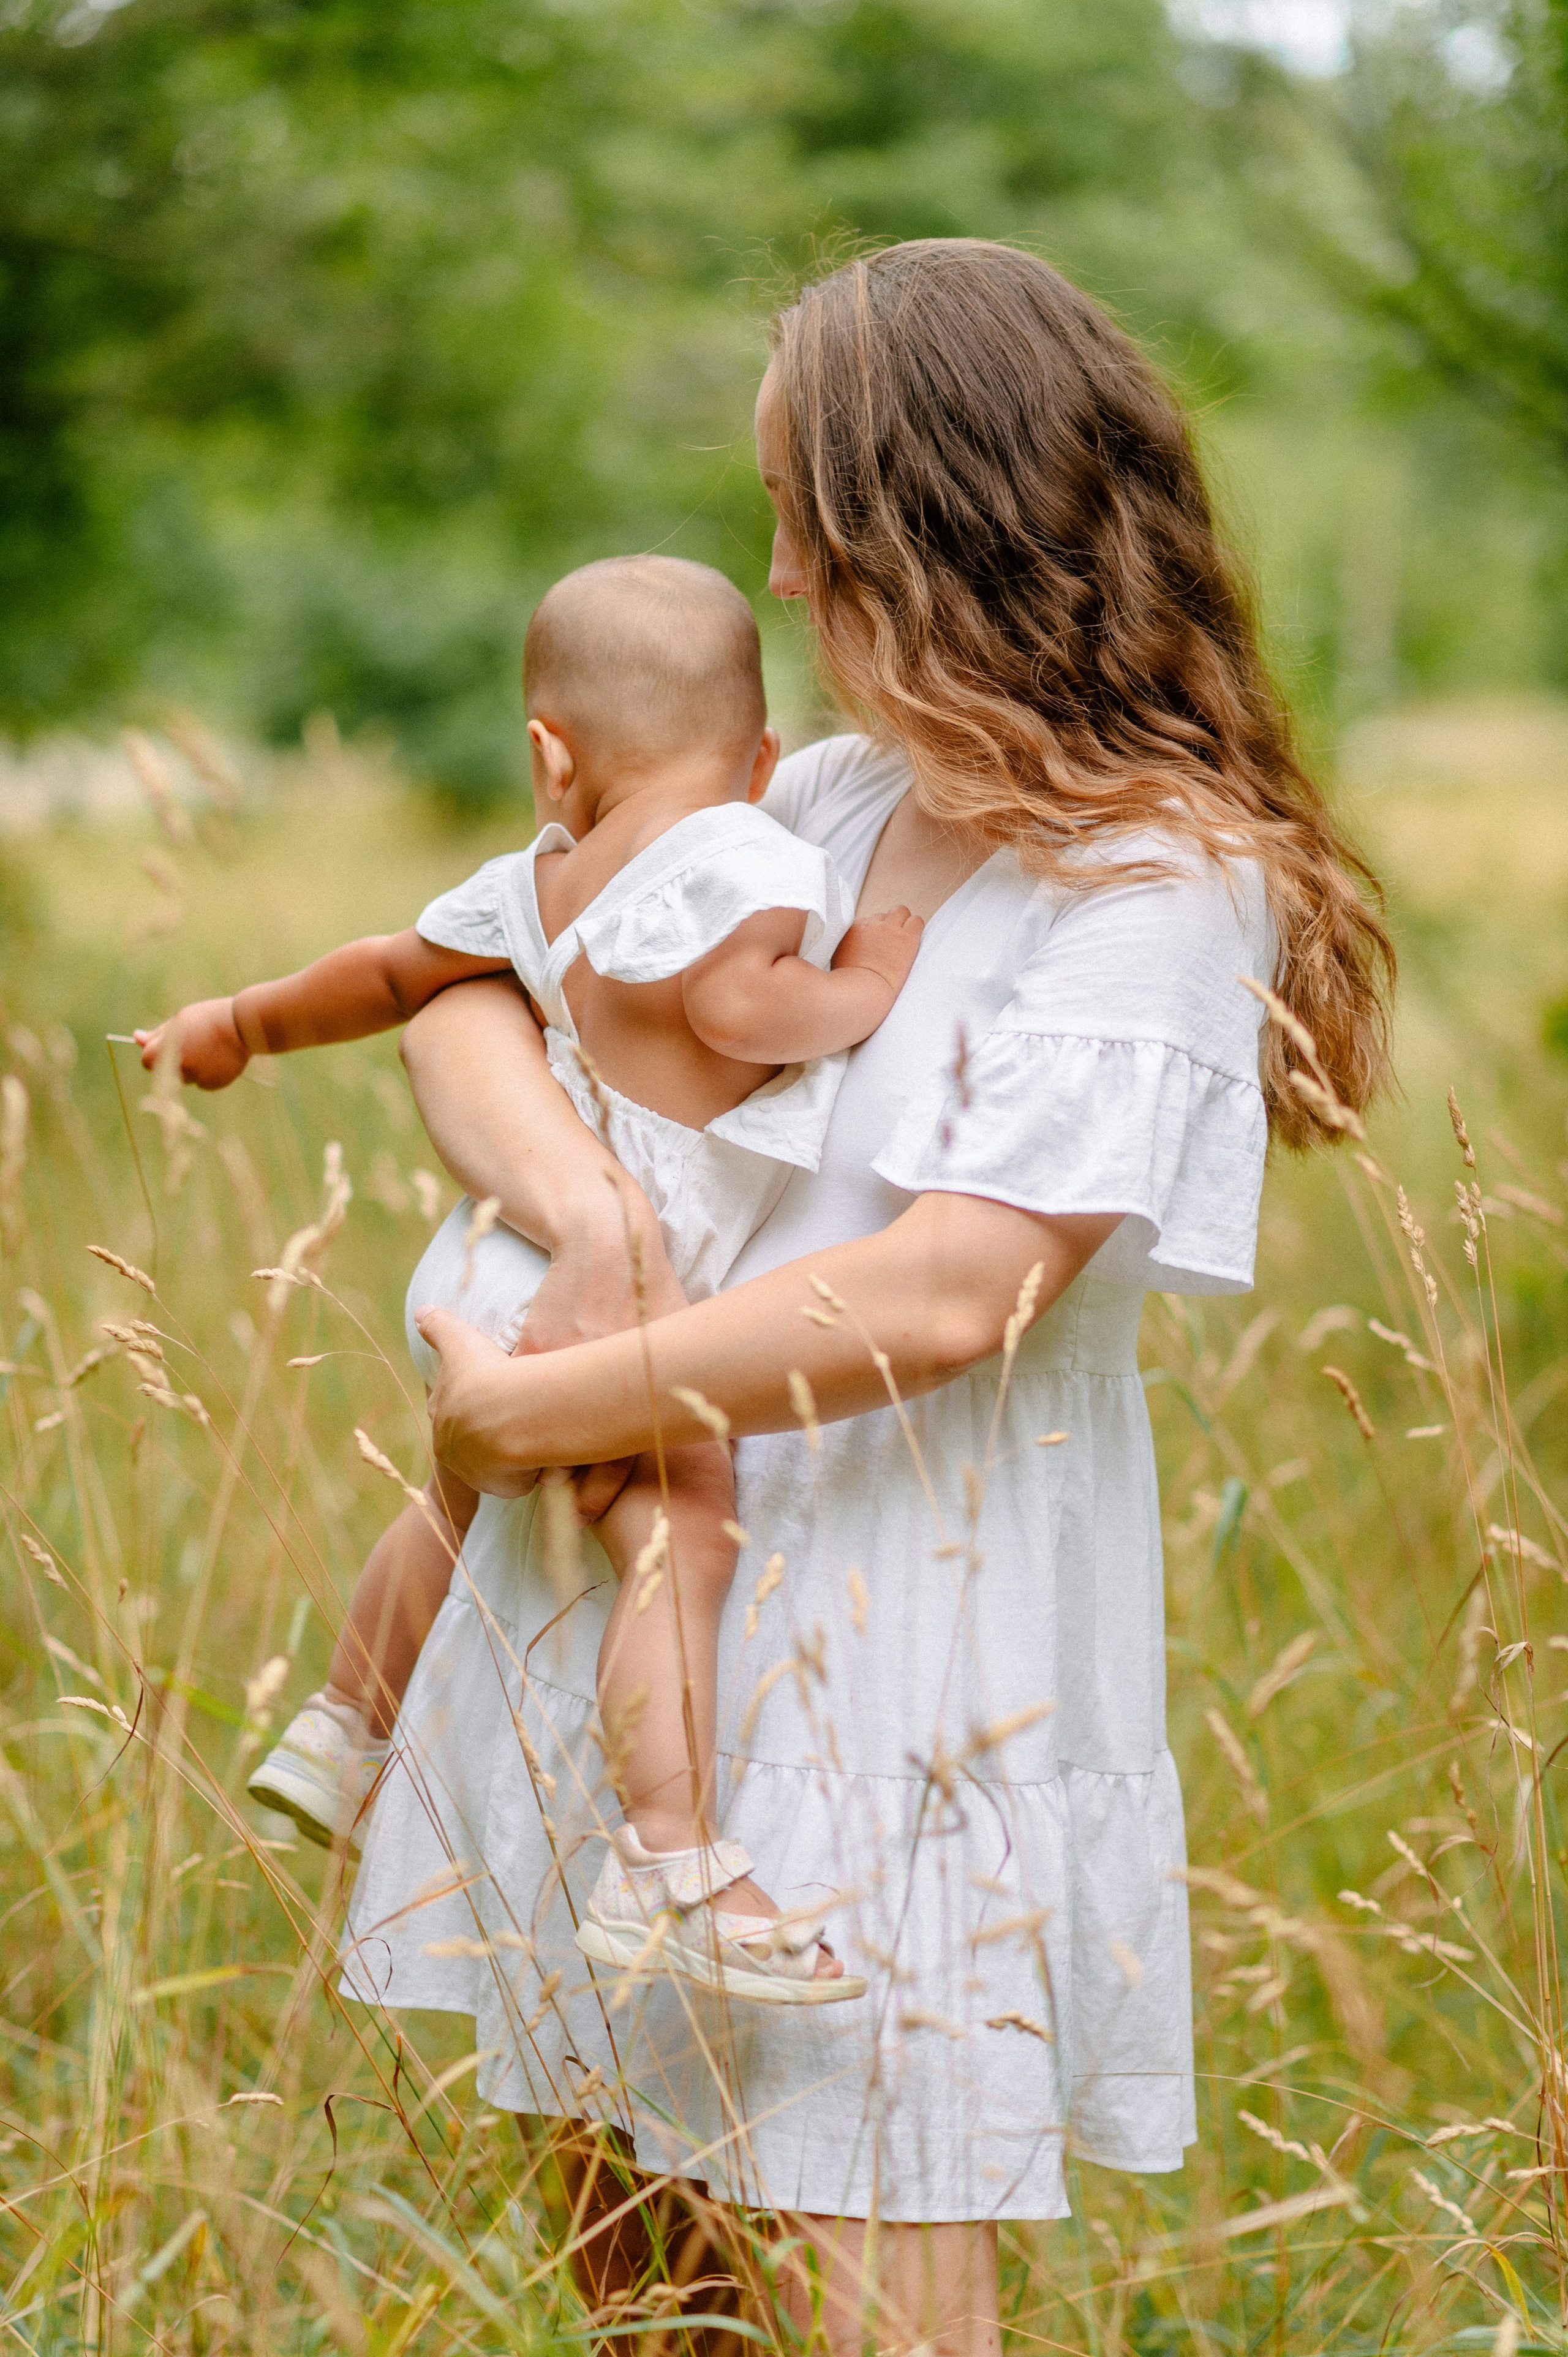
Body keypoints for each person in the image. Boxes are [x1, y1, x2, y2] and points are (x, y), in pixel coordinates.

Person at [344, 239, 1394, 2357]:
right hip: (648, 1637)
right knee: (641, 2275)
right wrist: (578, 1199)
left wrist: (544, 1403)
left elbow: (954, 1283)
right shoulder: (815, 804)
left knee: (868, 2295)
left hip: (916, 1681)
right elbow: (471, 975)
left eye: (804, 526)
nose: (784, 586)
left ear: (939, 535)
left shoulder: (1159, 881)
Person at [135, 552, 924, 1996]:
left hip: (504, 1264)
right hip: (627, 1295)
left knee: (453, 1496)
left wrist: (235, 1022)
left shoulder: (532, 881)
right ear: (760, 756)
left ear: (548, 754)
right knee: (679, 1539)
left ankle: (343, 1722)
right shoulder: (743, 853)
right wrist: (862, 986)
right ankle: (669, 1853)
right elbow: (744, 1003)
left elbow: (384, 974)